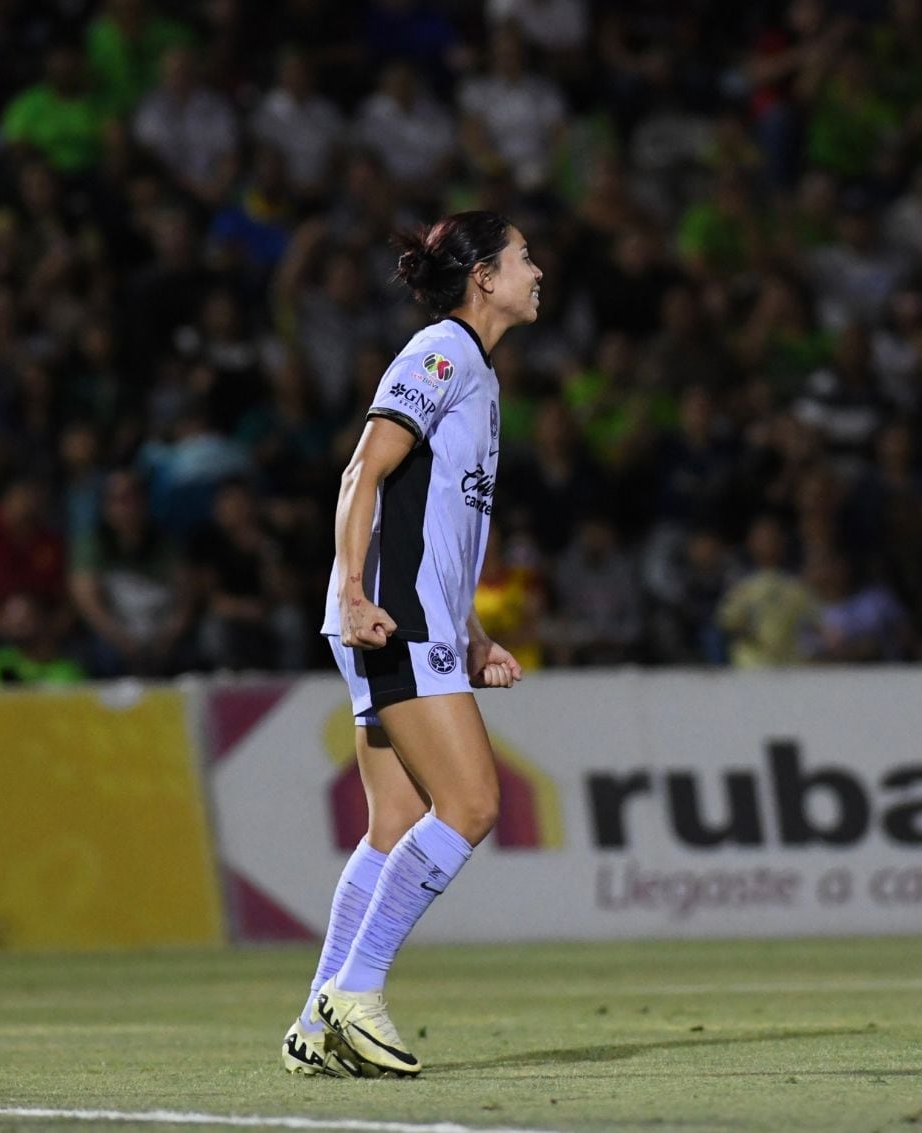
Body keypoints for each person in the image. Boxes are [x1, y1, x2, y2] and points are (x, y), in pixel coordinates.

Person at [280, 210, 542, 1079]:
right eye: (522, 257)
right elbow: (365, 472)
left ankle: (320, 1017)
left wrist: (472, 631)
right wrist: (355, 591)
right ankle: (356, 993)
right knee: (470, 804)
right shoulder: (440, 352)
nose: (536, 271)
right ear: (484, 279)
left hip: (416, 615)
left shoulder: (478, 372)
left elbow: (440, 522)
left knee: (395, 821)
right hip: (391, 613)